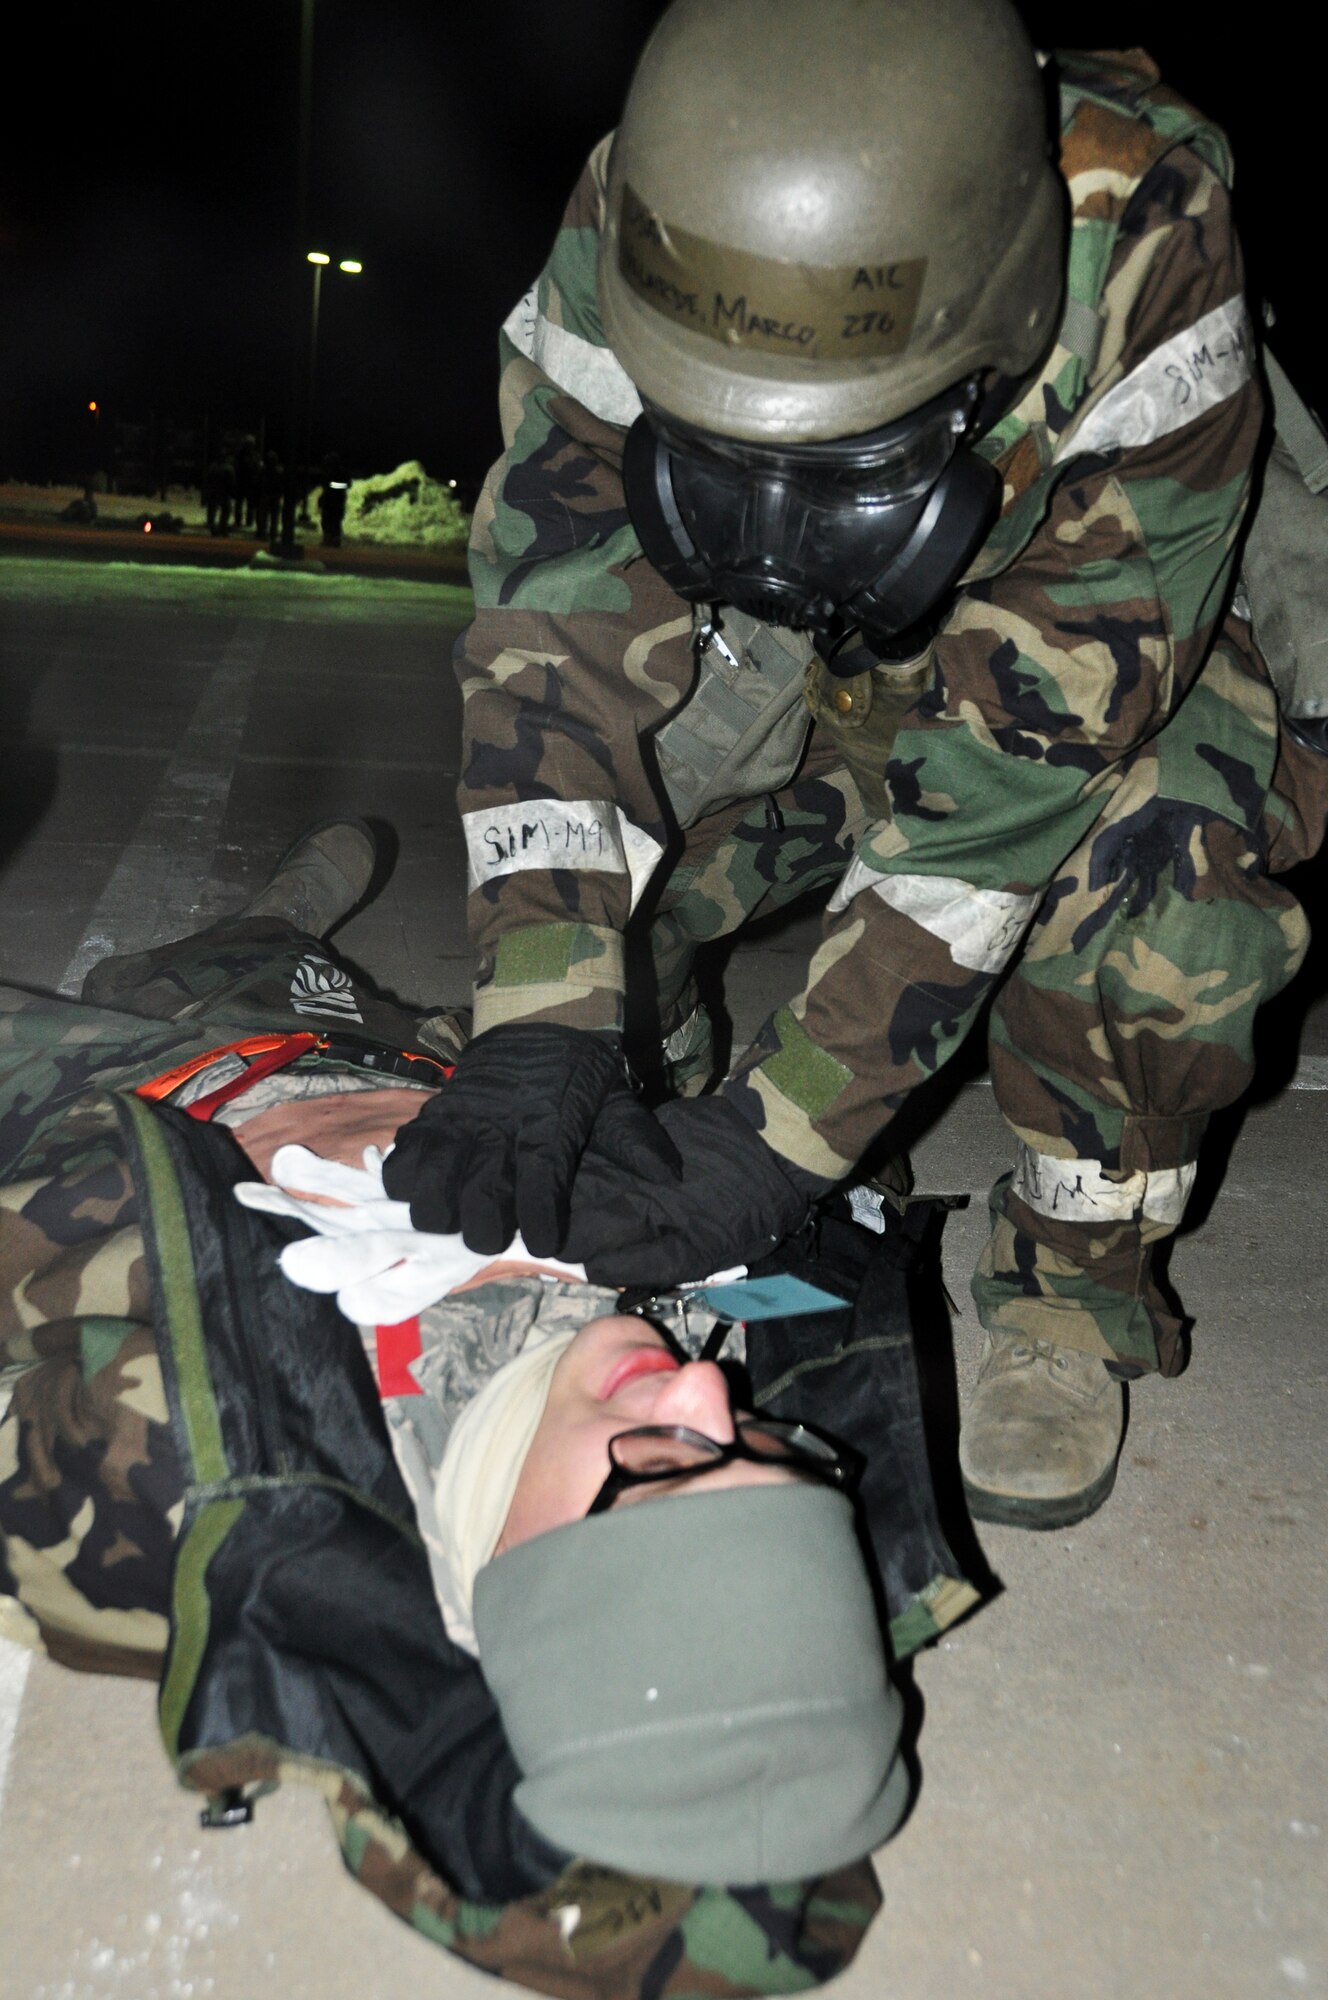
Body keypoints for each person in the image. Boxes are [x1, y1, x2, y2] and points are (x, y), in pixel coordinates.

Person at [384, 0, 1328, 1534]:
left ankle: (1075, 1291)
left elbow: (1011, 790)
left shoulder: (1146, 260)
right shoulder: (661, 210)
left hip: (1074, 669)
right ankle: (644, 1052)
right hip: (803, 665)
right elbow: (552, 638)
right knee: (599, 904)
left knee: (1162, 912)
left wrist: (790, 1131)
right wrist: (547, 1017)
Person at [0, 820, 972, 1996]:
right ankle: (290, 905)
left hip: (117, 1092)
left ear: (518, 1582)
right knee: (298, 962)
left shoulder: (158, 1455)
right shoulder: (730, 1344)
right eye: (766, 1446)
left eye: (667, 1462)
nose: (705, 1385)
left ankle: (271, 912)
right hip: (415, 1055)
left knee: (150, 979)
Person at [317, 450, 350, 546]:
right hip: (329, 500)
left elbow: (347, 485)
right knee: (327, 521)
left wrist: (333, 486)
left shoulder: (341, 473)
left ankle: (334, 539)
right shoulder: (328, 473)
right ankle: (329, 539)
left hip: (336, 500)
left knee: (334, 521)